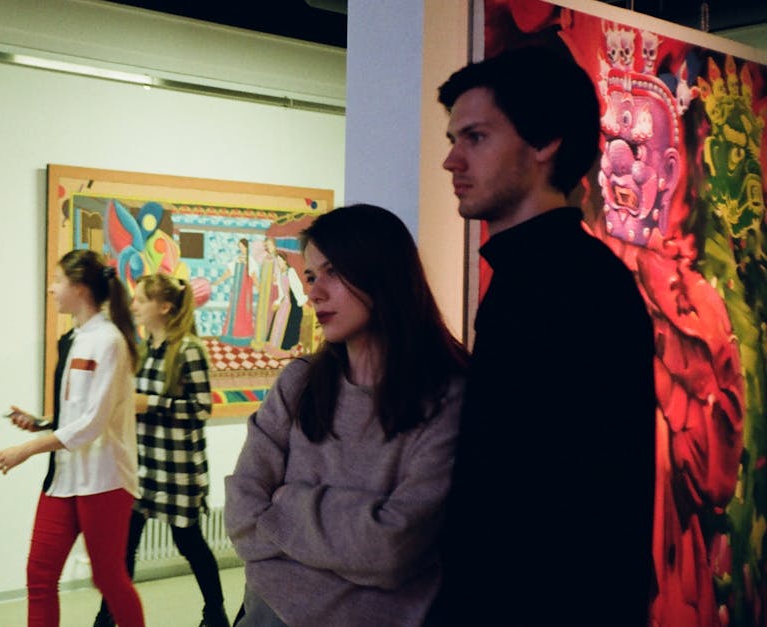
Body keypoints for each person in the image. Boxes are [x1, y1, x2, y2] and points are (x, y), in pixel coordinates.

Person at [436, 46, 656, 626]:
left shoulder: (568, 286)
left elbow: (556, 500)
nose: (451, 161)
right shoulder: (541, 276)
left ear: (545, 142)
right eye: (454, 139)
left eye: (475, 137)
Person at [225, 204, 467, 626]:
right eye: (311, 276)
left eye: (333, 272)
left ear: (381, 272)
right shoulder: (299, 383)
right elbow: (242, 516)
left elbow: (391, 548)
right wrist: (351, 535)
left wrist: (285, 502)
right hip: (267, 615)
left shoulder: (446, 398)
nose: (314, 293)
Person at [0, 249, 145, 627]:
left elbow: (93, 423)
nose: (51, 288)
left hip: (104, 479)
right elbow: (77, 413)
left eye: (57, 281)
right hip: (64, 477)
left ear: (79, 288)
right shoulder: (73, 339)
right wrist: (43, 423)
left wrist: (26, 449)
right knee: (39, 576)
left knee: (108, 578)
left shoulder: (109, 341)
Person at [93, 272, 229, 627]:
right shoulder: (144, 349)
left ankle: (215, 614)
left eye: (141, 299)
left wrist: (151, 403)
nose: (134, 305)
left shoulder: (189, 349)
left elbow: (201, 409)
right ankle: (107, 618)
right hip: (142, 467)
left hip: (178, 470)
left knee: (189, 543)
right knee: (124, 548)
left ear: (164, 307)